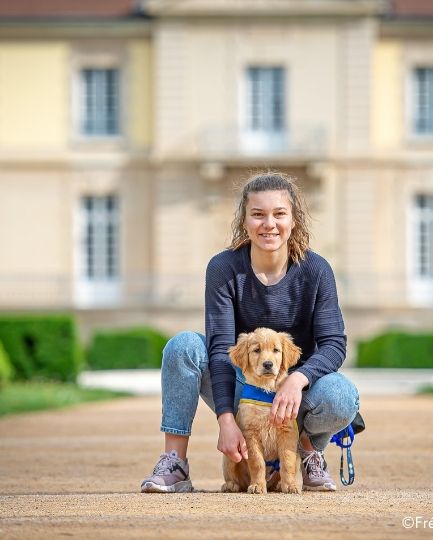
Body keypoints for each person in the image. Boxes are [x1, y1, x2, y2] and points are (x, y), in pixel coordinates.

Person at [141, 171, 360, 493]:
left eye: (279, 214)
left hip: (295, 388)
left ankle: (306, 454)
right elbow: (218, 349)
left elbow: (333, 345)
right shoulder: (224, 267)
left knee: (341, 397)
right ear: (244, 222)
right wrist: (227, 419)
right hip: (243, 385)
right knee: (183, 346)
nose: (268, 224)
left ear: (294, 220)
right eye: (258, 214)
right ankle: (175, 462)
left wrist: (297, 380)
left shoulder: (316, 270)